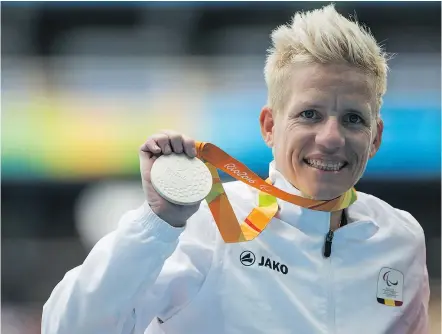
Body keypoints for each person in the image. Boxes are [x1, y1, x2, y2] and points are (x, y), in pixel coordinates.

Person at [41, 4, 430, 334]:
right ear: (269, 126)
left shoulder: (400, 239)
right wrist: (157, 224)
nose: (331, 138)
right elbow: (69, 326)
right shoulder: (208, 222)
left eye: (353, 119)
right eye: (309, 115)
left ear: (375, 137)